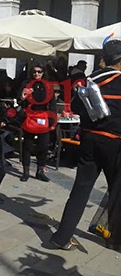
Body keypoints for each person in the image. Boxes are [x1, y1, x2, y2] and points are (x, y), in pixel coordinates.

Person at [50, 40, 121, 252]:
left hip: (89, 140)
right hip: (115, 143)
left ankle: (61, 237)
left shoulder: (90, 81)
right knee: (117, 192)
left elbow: (78, 108)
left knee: (80, 189)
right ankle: (116, 240)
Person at [19, 62, 57, 183]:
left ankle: (40, 170)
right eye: (35, 71)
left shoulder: (48, 85)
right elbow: (20, 100)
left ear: (43, 73)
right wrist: (23, 97)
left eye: (39, 72)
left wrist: (52, 121)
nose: (37, 74)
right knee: (28, 145)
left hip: (43, 117)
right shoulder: (26, 84)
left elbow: (52, 104)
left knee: (44, 145)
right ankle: (26, 171)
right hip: (29, 116)